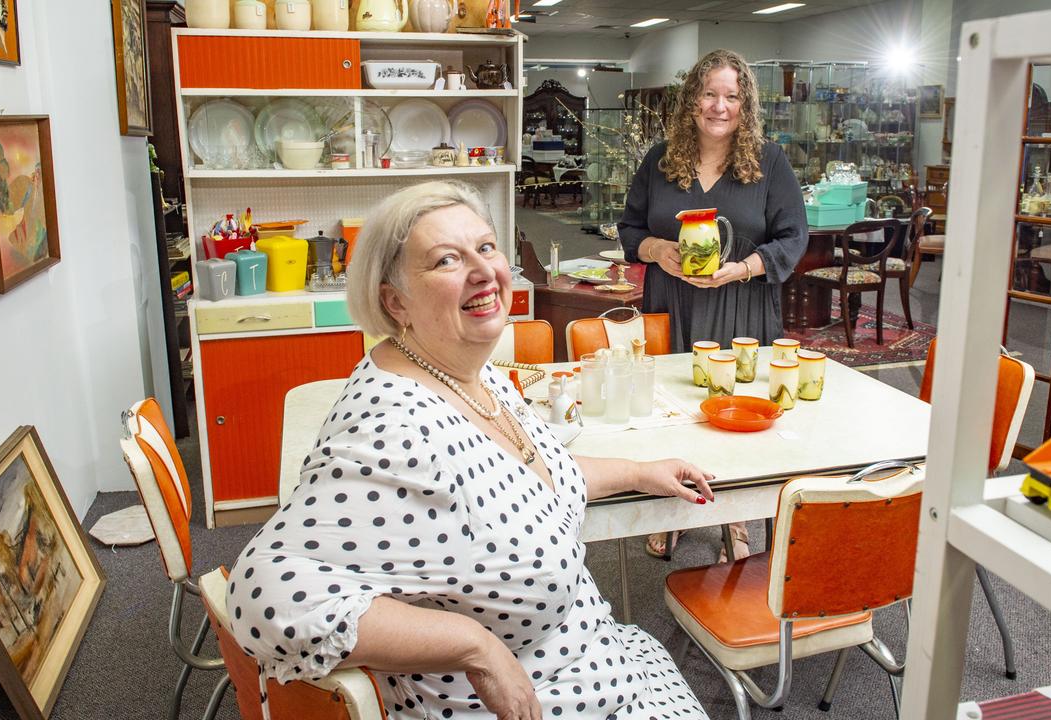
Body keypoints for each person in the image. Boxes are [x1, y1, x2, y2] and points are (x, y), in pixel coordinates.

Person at [227, 181, 713, 719]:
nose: (483, 271)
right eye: (445, 261)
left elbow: (528, 474)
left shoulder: (472, 376)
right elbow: (262, 593)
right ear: (395, 301)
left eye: (485, 248)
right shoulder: (392, 426)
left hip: (601, 661)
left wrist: (639, 472)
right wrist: (473, 645)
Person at [618, 49, 809, 561]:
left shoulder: (769, 162)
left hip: (742, 307)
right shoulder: (659, 160)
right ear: (692, 100)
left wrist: (742, 268)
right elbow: (630, 228)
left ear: (745, 104)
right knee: (672, 410)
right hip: (671, 301)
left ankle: (738, 519)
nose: (719, 106)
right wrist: (659, 251)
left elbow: (795, 237)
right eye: (709, 93)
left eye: (731, 96)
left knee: (736, 412)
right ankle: (671, 509)